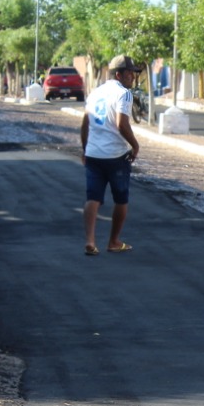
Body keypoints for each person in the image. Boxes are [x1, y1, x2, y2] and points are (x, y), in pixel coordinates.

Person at [80, 54, 142, 256]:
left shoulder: (96, 92)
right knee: (121, 200)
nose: (132, 76)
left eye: (134, 73)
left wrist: (85, 149)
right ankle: (113, 241)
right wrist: (135, 145)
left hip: (94, 155)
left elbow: (85, 124)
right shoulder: (123, 94)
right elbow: (121, 124)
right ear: (119, 74)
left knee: (93, 198)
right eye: (130, 73)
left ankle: (90, 241)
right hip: (116, 155)